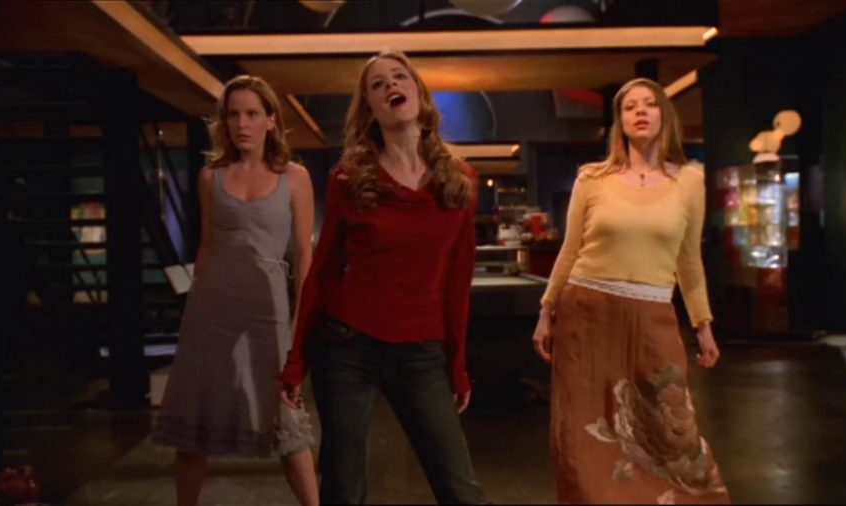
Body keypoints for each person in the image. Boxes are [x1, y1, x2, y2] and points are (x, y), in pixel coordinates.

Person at [277, 49, 487, 505]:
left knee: (460, 489)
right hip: (347, 345)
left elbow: (458, 283)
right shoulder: (350, 179)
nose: (391, 85)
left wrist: (457, 364)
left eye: (399, 77)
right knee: (344, 487)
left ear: (419, 94)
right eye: (378, 84)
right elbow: (324, 272)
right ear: (370, 108)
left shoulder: (459, 180)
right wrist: (297, 359)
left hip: (422, 353)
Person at [532, 77, 731, 504]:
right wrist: (546, 310)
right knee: (585, 433)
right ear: (619, 122)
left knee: (672, 435)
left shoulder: (689, 181)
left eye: (650, 104)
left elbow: (689, 261)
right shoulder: (593, 178)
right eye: (630, 107)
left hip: (652, 314)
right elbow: (571, 248)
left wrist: (703, 325)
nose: (640, 111)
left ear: (665, 116)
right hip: (587, 312)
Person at [151, 75, 319, 506]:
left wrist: (301, 322)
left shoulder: (295, 177)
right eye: (233, 114)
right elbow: (207, 247)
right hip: (211, 311)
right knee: (194, 423)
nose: (242, 124)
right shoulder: (211, 176)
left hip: (268, 308)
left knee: (286, 421)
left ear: (270, 120)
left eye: (252, 113)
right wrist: (193, 316)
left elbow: (305, 256)